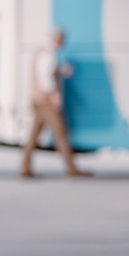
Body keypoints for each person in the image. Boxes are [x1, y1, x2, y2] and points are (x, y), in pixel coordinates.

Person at [21, 28, 89, 178]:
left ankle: (25, 168)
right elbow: (45, 78)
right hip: (46, 102)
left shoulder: (41, 50)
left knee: (33, 137)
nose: (63, 43)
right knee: (61, 134)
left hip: (37, 100)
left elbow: (44, 73)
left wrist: (59, 70)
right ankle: (72, 169)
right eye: (62, 40)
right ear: (57, 39)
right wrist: (54, 96)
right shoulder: (48, 53)